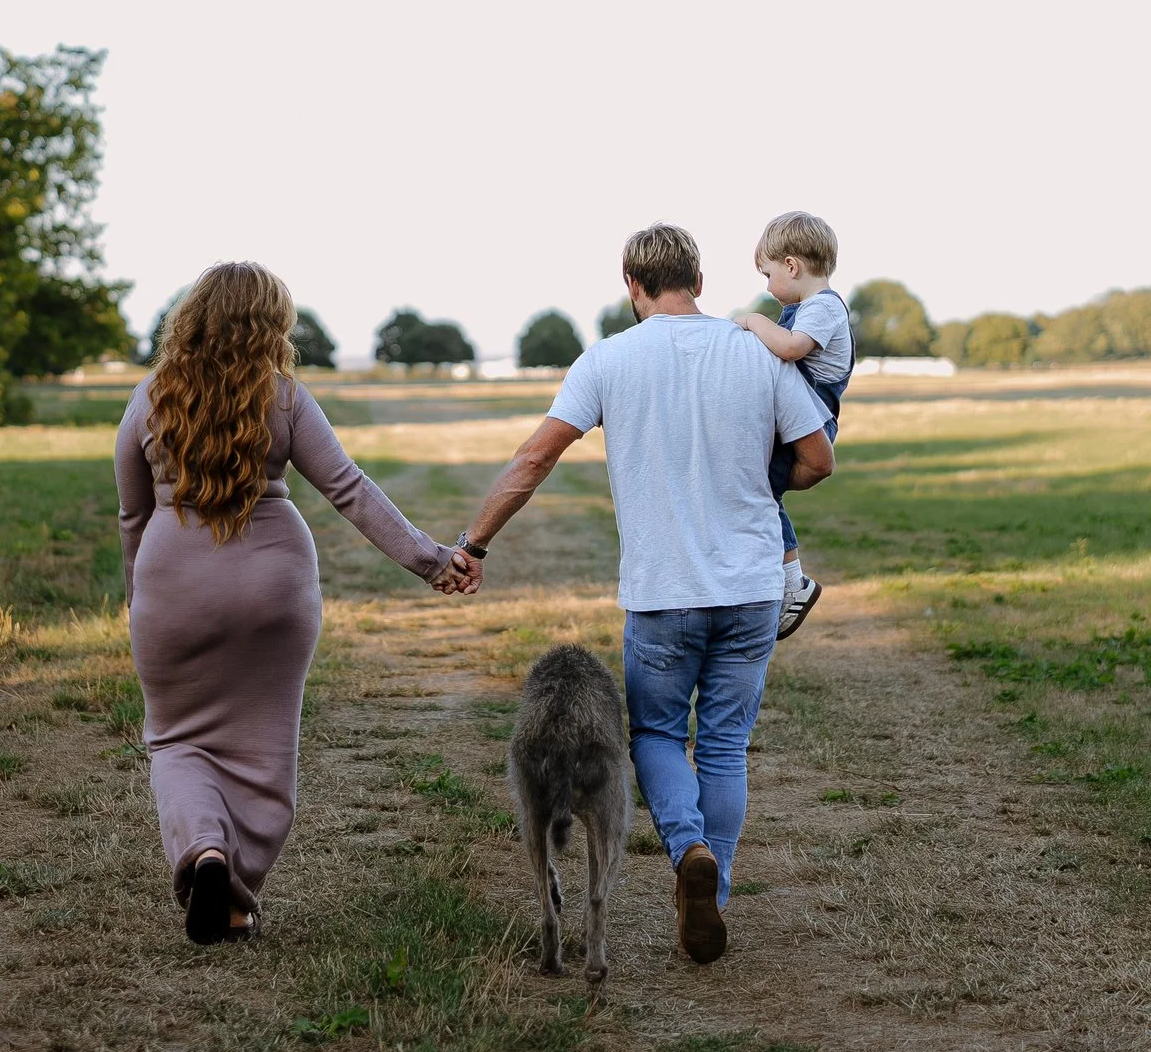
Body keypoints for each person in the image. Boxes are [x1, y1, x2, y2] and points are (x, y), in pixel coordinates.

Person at [449, 225, 832, 964]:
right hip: (751, 586)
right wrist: (757, 484)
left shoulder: (609, 359)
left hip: (664, 594)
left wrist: (473, 544)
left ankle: (687, 847)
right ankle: (709, 892)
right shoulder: (753, 350)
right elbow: (818, 459)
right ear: (697, 278)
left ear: (633, 284)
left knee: (657, 735)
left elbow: (534, 459)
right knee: (723, 743)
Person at [115, 264, 477, 946]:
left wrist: (139, 601)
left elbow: (133, 515)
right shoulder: (284, 397)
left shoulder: (149, 396)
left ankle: (205, 856)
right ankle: (233, 891)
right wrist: (432, 559)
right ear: (270, 325)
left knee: (175, 740)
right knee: (262, 749)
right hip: (272, 589)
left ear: (192, 318)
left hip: (172, 590)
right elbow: (350, 488)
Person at [729, 211, 853, 639]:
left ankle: (792, 583)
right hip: (795, 419)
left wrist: (753, 321)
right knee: (759, 484)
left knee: (762, 488)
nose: (767, 286)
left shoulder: (823, 308)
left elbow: (792, 348)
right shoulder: (809, 307)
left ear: (792, 266)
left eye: (767, 274)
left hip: (812, 422)